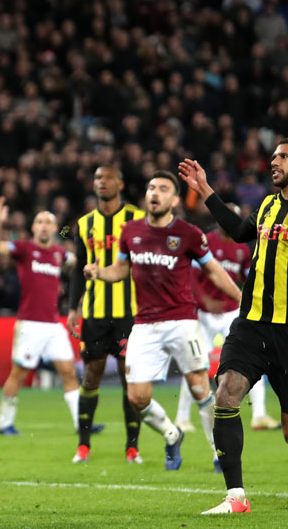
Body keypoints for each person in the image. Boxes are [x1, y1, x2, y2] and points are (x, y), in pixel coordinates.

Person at [179, 138, 288, 514]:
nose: (274, 161)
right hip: (252, 324)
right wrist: (206, 190)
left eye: (283, 156)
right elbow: (240, 231)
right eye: (273, 156)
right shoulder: (269, 205)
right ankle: (235, 497)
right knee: (225, 395)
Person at [85, 171, 241, 472]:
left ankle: (217, 452)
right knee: (137, 398)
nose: (155, 193)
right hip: (144, 325)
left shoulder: (189, 233)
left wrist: (242, 298)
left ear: (174, 199)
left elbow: (213, 271)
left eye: (163, 189)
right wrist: (99, 273)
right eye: (151, 187)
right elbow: (120, 269)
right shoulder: (130, 231)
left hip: (182, 321)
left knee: (199, 388)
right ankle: (172, 434)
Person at [0, 198, 96, 436]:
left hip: (52, 324)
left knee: (68, 371)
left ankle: (81, 424)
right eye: (40, 222)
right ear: (34, 227)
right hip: (29, 324)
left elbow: (83, 268)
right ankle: (4, 423)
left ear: (56, 229)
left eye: (49, 222)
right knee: (20, 373)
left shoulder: (59, 254)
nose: (44, 226)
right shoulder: (24, 249)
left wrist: (96, 261)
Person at [65, 166, 145, 464]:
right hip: (95, 314)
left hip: (131, 313)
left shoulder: (138, 218)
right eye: (97, 178)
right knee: (91, 376)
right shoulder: (84, 224)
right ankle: (84, 446)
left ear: (120, 183)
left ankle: (132, 447)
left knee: (130, 379)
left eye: (108, 178)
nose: (102, 183)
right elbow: (77, 269)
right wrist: (73, 308)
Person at [175, 212, 280, 433]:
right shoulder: (207, 241)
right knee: (196, 364)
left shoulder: (242, 249)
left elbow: (248, 277)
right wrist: (204, 300)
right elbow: (192, 276)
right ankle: (182, 417)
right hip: (204, 313)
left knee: (252, 359)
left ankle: (259, 415)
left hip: (231, 310)